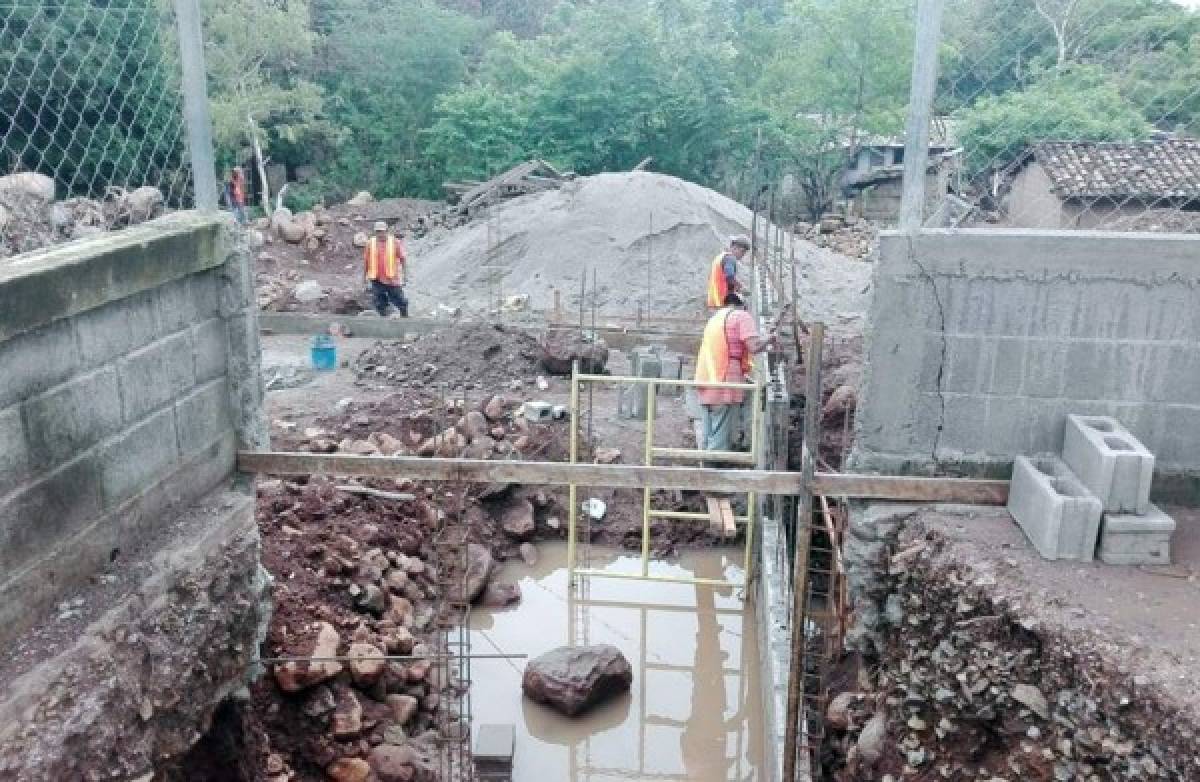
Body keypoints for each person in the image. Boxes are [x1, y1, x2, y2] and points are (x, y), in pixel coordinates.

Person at [694, 291, 776, 452]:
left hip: (707, 377)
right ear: (743, 305)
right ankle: (715, 469)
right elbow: (754, 347)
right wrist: (769, 338)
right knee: (722, 429)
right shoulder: (741, 316)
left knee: (710, 426)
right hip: (726, 377)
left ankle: (705, 460)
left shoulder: (715, 319)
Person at [364, 221, 409, 317]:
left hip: (392, 279)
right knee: (380, 303)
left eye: (382, 231)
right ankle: (383, 319)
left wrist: (405, 276)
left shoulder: (395, 242)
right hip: (376, 279)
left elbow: (403, 259)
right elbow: (366, 261)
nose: (380, 234)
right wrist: (364, 277)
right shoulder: (370, 243)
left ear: (387, 231)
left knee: (401, 300)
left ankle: (404, 317)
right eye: (377, 232)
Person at [705, 234, 751, 309]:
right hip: (721, 301)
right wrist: (740, 287)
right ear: (737, 248)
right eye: (743, 252)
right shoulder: (730, 259)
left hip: (714, 300)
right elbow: (729, 276)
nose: (743, 255)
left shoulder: (721, 257)